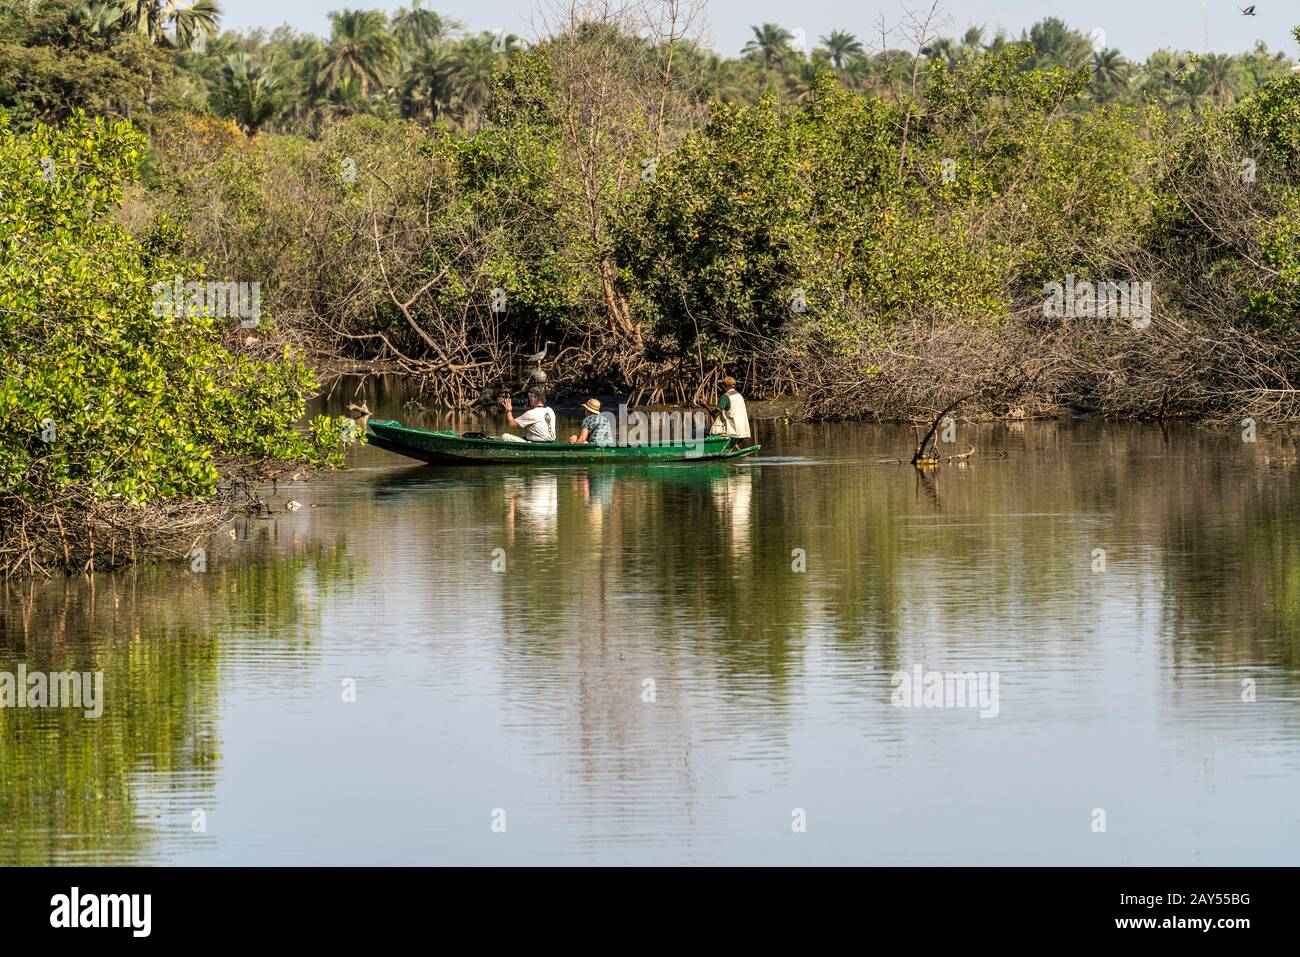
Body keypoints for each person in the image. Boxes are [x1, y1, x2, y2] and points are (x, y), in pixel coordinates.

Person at [710, 375, 751, 449]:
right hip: (742, 429)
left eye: (722, 385)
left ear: (725, 385)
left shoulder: (725, 396)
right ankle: (738, 450)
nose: (721, 387)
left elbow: (715, 415)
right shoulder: (739, 395)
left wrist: (705, 406)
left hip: (732, 429)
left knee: (712, 432)